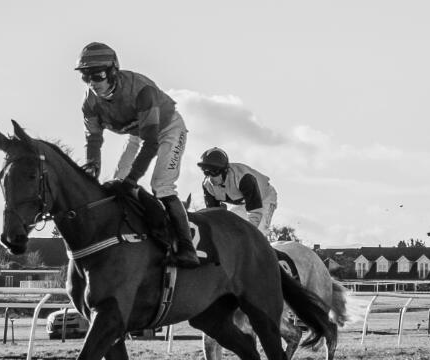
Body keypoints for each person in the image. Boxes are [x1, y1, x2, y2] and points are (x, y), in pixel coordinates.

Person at [75, 42, 199, 267]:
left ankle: (187, 248)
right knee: (116, 182)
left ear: (113, 71)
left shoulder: (142, 90)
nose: (93, 82)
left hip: (168, 128)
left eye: (98, 75)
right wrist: (92, 166)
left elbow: (151, 143)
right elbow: (93, 139)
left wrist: (133, 180)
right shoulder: (89, 102)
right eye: (86, 76)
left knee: (161, 185)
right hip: (138, 133)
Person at [198, 147, 278, 238]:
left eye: (214, 172)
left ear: (225, 170)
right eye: (206, 172)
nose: (211, 177)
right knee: (232, 231)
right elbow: (214, 215)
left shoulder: (245, 178)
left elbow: (255, 212)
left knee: (256, 234)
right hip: (241, 203)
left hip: (263, 199)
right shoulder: (207, 185)